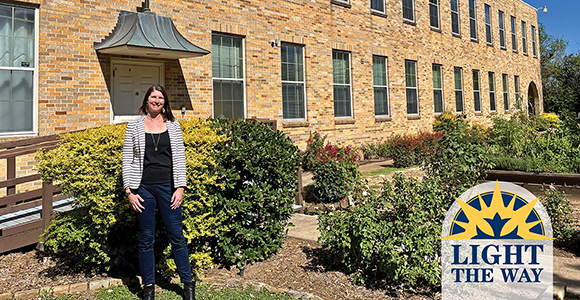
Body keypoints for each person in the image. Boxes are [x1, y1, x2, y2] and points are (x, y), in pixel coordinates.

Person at [122, 84, 195, 300]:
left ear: (165, 102)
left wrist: (180, 187)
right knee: (146, 239)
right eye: (153, 97)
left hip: (168, 188)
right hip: (143, 189)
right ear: (146, 100)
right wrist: (129, 191)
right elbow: (127, 159)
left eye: (160, 97)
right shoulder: (134, 125)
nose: (156, 100)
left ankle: (188, 284)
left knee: (177, 237)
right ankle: (149, 288)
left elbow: (180, 158)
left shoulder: (173, 125)